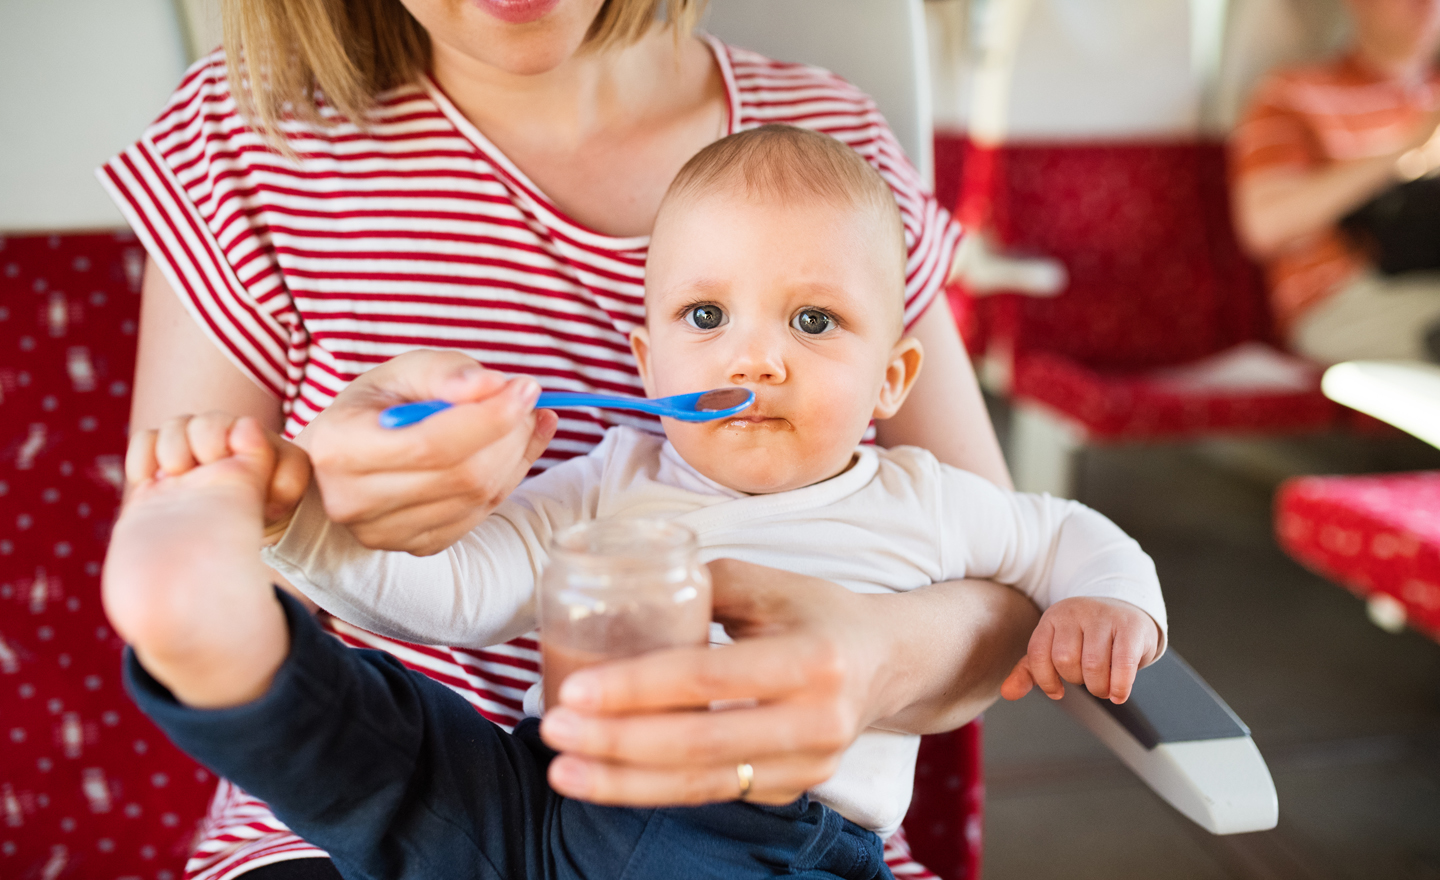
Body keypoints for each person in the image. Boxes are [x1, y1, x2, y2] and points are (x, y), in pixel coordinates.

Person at [101, 1, 1036, 876]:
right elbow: (199, 498)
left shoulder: (835, 149)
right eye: (704, 314)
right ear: (640, 352)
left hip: (759, 823)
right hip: (385, 815)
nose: (758, 362)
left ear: (892, 374)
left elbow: (1008, 576)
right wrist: (300, 503)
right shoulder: (242, 139)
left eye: (813, 325)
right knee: (366, 747)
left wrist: (879, 658)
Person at [1230, 0, 1440, 364]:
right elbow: (1265, 225)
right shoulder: (1293, 92)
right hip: (1345, 299)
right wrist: (1407, 151)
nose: (1425, 6)